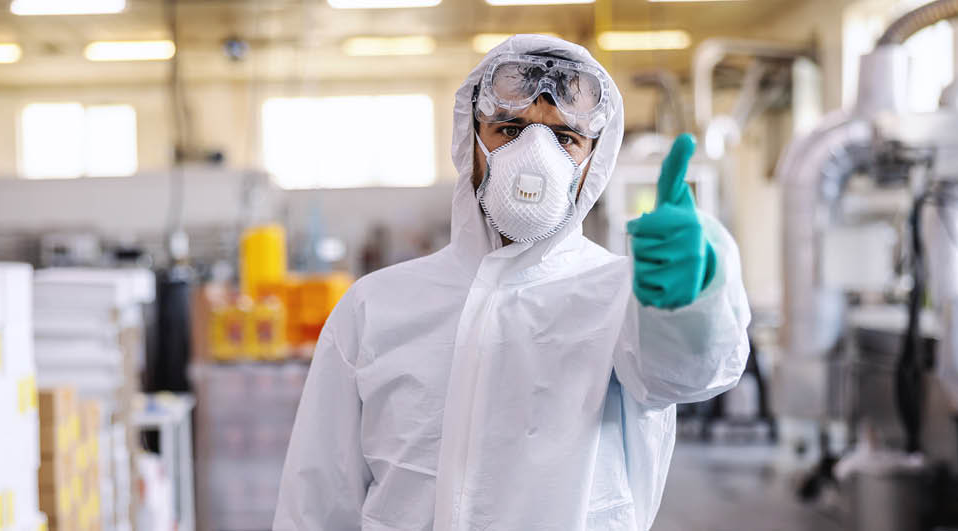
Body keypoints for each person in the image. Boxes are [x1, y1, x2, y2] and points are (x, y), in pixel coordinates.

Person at [273, 34, 750, 530]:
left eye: (565, 138)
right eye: (509, 127)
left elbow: (694, 372)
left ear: (593, 161)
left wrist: (690, 298)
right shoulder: (376, 307)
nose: (534, 154)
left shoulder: (622, 300)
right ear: (471, 141)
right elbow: (319, 494)